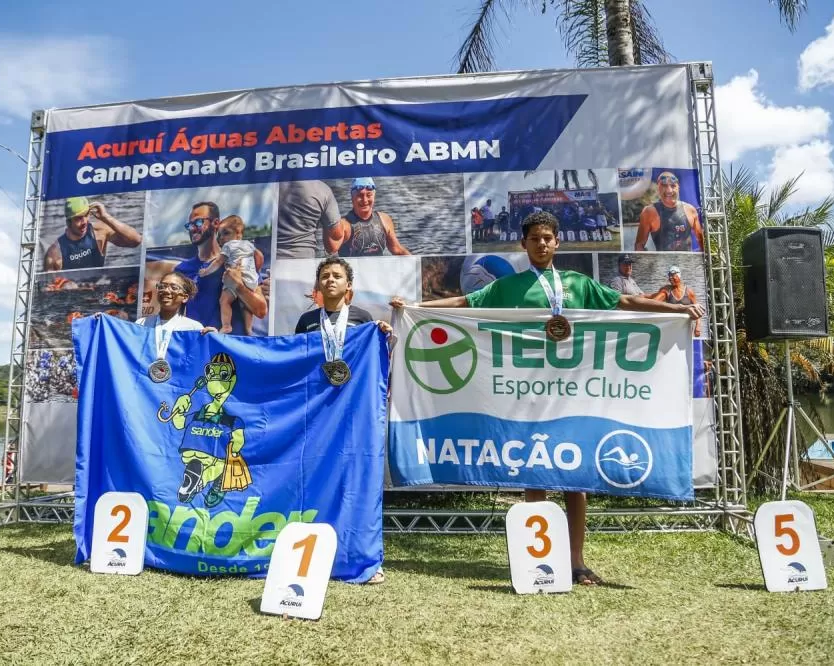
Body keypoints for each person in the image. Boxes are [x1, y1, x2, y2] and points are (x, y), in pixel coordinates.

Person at [390, 211, 704, 586]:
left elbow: (623, 303)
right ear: (524, 245)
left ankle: (576, 560)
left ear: (557, 242)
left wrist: (677, 308)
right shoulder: (509, 286)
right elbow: (463, 304)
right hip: (529, 395)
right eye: (535, 238)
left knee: (578, 476)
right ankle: (541, 558)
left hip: (573, 392)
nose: (542, 243)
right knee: (534, 472)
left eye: (548, 238)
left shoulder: (577, 282)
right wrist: (414, 309)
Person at [296, 256, 393, 585]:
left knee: (356, 480)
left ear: (348, 286)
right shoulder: (307, 321)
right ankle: (310, 552)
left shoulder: (363, 319)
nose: (331, 280)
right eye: (325, 276)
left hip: (354, 414)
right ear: (318, 285)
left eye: (337, 276)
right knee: (315, 479)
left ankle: (360, 555)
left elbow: (376, 362)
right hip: (318, 414)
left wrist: (382, 334)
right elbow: (295, 364)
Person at [144, 202, 268, 335]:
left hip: (229, 349)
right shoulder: (182, 270)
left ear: (215, 223)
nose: (192, 228)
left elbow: (260, 311)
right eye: (189, 225)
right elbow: (170, 315)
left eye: (198, 223)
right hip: (195, 346)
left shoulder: (237, 263)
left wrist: (238, 285)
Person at [198, 216, 260, 334]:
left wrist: (206, 271)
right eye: (219, 235)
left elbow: (218, 262)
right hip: (251, 279)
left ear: (238, 234)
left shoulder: (228, 246)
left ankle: (226, 325)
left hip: (235, 278)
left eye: (226, 233)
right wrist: (255, 268)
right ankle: (248, 329)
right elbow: (259, 256)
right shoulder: (248, 244)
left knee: (224, 301)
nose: (222, 238)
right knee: (245, 306)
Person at [44, 196, 143, 271]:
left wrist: (105, 217)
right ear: (68, 222)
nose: (84, 222)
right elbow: (48, 291)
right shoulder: (54, 253)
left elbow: (136, 241)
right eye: (78, 218)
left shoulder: (100, 232)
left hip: (99, 290)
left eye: (86, 215)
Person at [324, 177, 410, 256]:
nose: (365, 200)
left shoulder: (384, 219)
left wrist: (417, 263)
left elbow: (397, 249)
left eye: (369, 195)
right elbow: (330, 251)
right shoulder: (343, 225)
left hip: (377, 271)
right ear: (352, 197)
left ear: (374, 196)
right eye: (360, 195)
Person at [634, 172, 704, 251]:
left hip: (687, 262)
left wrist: (704, 261)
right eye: (664, 186)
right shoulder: (649, 212)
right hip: (662, 262)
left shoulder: (690, 210)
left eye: (673, 186)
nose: (669, 190)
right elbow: (639, 244)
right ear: (658, 188)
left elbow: (701, 240)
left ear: (678, 187)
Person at [276, 180, 341, 259]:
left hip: (269, 262)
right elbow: (336, 235)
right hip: (303, 261)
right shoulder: (321, 189)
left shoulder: (265, 187)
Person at [135, 273, 217, 334]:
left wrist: (214, 339)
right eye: (162, 286)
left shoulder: (194, 328)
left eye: (174, 287)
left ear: (185, 297)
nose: (166, 291)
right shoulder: (141, 324)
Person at [653, 266, 703, 337]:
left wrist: (698, 326)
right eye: (669, 275)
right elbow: (654, 303)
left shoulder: (689, 292)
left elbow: (698, 310)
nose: (670, 278)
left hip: (686, 327)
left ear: (679, 276)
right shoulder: (666, 291)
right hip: (670, 325)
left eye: (672, 275)